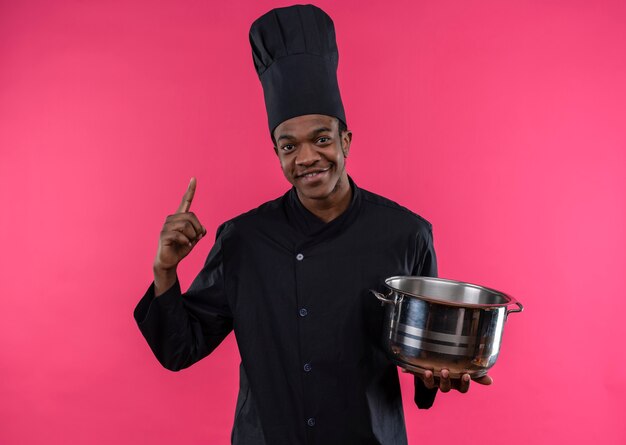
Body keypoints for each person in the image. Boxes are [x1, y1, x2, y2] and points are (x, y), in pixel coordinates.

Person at [134, 5, 492, 444]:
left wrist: (439, 374)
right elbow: (180, 349)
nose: (306, 158)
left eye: (321, 139)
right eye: (289, 146)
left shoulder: (405, 234)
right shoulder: (243, 240)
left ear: (346, 140)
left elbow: (422, 350)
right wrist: (164, 271)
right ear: (277, 153)